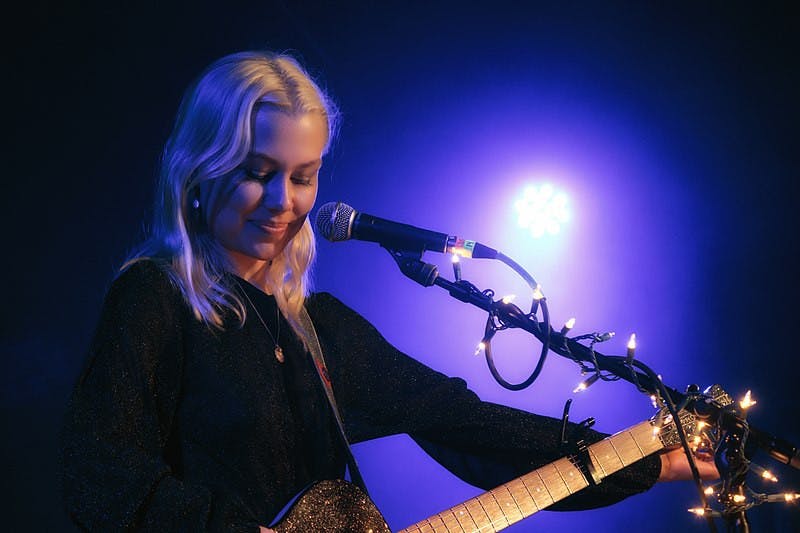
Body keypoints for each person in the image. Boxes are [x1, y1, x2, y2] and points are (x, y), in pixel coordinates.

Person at [60, 50, 716, 532]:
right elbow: (99, 471)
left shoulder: (322, 329)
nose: (284, 202)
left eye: (304, 176)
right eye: (258, 173)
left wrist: (650, 458)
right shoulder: (155, 299)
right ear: (201, 171)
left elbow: (469, 425)